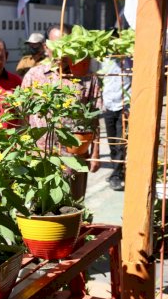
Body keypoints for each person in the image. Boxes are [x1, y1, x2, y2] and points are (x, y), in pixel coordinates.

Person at [22, 24, 100, 200]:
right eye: (55, 46)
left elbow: (94, 118)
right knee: (41, 206)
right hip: (41, 157)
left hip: (74, 157)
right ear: (46, 47)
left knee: (74, 205)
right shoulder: (34, 75)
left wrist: (95, 153)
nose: (60, 52)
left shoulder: (86, 77)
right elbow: (24, 118)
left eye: (66, 45)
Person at [100, 55, 131, 191]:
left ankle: (116, 176)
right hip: (108, 105)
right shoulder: (104, 61)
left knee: (120, 142)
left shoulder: (129, 60)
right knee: (112, 142)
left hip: (123, 106)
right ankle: (117, 171)